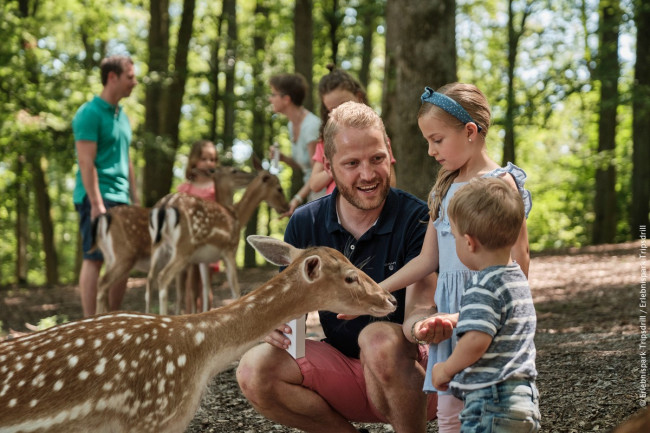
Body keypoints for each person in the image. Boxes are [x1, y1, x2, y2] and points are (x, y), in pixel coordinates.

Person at [236, 101, 443, 432]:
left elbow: (420, 304)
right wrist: (271, 323)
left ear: (389, 151)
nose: (368, 174)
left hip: (415, 380)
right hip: (342, 372)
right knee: (254, 368)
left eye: (377, 158)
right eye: (351, 163)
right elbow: (291, 318)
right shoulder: (306, 223)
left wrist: (422, 325)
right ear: (328, 166)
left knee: (377, 338)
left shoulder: (417, 218)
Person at [379, 83, 533, 432]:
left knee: (490, 406)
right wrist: (376, 289)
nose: (431, 151)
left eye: (437, 139)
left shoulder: (501, 184)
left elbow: (519, 261)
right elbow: (426, 260)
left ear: (469, 131)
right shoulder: (443, 187)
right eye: (427, 142)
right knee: (449, 413)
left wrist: (501, 314)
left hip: (488, 309)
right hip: (446, 316)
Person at [430, 176, 540, 432]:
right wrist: (460, 318)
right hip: (524, 399)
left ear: (469, 242)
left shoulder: (482, 285)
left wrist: (446, 369)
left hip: (491, 402)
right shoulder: (516, 279)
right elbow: (502, 321)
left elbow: (477, 341)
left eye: (454, 237)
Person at [73, 55, 138, 317]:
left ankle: (110, 321)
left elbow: (127, 159)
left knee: (122, 261)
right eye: (130, 76)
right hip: (97, 198)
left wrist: (134, 199)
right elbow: (86, 163)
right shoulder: (88, 113)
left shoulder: (122, 116)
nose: (134, 82)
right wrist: (97, 204)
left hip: (122, 200)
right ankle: (90, 325)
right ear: (113, 77)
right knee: (95, 258)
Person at [309, 65, 396, 195]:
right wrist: (339, 165)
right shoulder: (326, 142)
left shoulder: (376, 137)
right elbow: (315, 184)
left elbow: (392, 182)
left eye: (344, 104)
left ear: (359, 97)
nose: (341, 111)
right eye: (332, 109)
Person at [268, 73, 321, 215]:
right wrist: (284, 159)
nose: (270, 99)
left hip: (322, 193)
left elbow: (317, 171)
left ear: (286, 99)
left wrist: (297, 199)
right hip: (311, 192)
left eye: (273, 94)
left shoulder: (311, 126)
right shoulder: (292, 125)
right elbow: (305, 165)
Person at [176, 139, 219, 312]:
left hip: (209, 242)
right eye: (204, 158)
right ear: (194, 160)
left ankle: (206, 321)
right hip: (189, 242)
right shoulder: (185, 189)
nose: (209, 163)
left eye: (213, 159)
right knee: (189, 284)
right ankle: (189, 321)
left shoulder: (216, 188)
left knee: (205, 284)